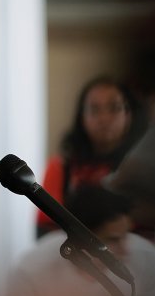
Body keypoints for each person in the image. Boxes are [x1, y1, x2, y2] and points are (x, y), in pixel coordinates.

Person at [9, 185, 155, 296]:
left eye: (126, 235)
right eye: (113, 240)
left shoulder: (147, 257)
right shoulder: (33, 269)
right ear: (78, 238)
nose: (126, 249)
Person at [36, 75, 143, 238]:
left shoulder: (144, 167)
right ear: (82, 117)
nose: (104, 118)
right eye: (94, 110)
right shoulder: (60, 167)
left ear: (129, 114)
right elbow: (44, 231)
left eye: (114, 108)